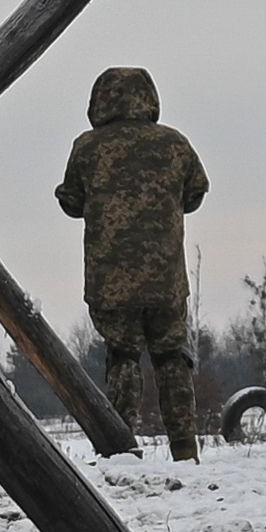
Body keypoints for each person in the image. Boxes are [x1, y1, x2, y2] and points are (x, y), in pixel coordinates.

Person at [57, 67, 209, 461]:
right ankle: (184, 447)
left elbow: (72, 202)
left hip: (110, 281)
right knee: (171, 357)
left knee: (122, 356)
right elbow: (195, 193)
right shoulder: (175, 145)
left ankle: (120, 446)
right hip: (167, 280)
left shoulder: (88, 148)